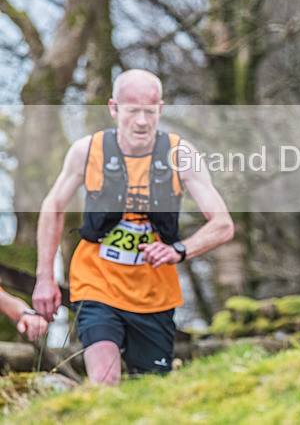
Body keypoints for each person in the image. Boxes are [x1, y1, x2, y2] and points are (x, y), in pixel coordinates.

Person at [33, 69, 234, 384]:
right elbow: (52, 206)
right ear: (114, 109)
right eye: (132, 111)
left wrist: (178, 250)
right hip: (96, 283)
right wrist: (45, 277)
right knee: (105, 379)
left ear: (161, 110)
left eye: (149, 112)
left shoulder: (182, 154)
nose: (141, 121)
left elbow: (223, 224)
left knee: (149, 389)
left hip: (155, 294)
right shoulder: (87, 151)